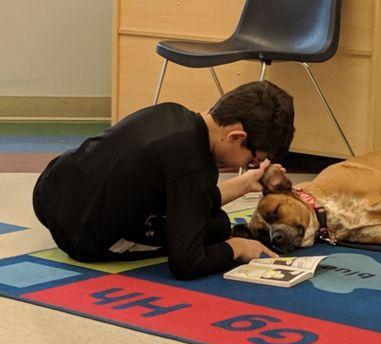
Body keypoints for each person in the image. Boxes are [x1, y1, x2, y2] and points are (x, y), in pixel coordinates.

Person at [33, 80, 295, 279]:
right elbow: (188, 263)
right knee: (216, 227)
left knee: (202, 212)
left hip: (52, 192)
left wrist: (249, 181)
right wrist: (237, 248)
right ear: (236, 137)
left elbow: (185, 193)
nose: (248, 164)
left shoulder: (174, 114)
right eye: (251, 159)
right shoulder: (193, 166)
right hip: (86, 240)